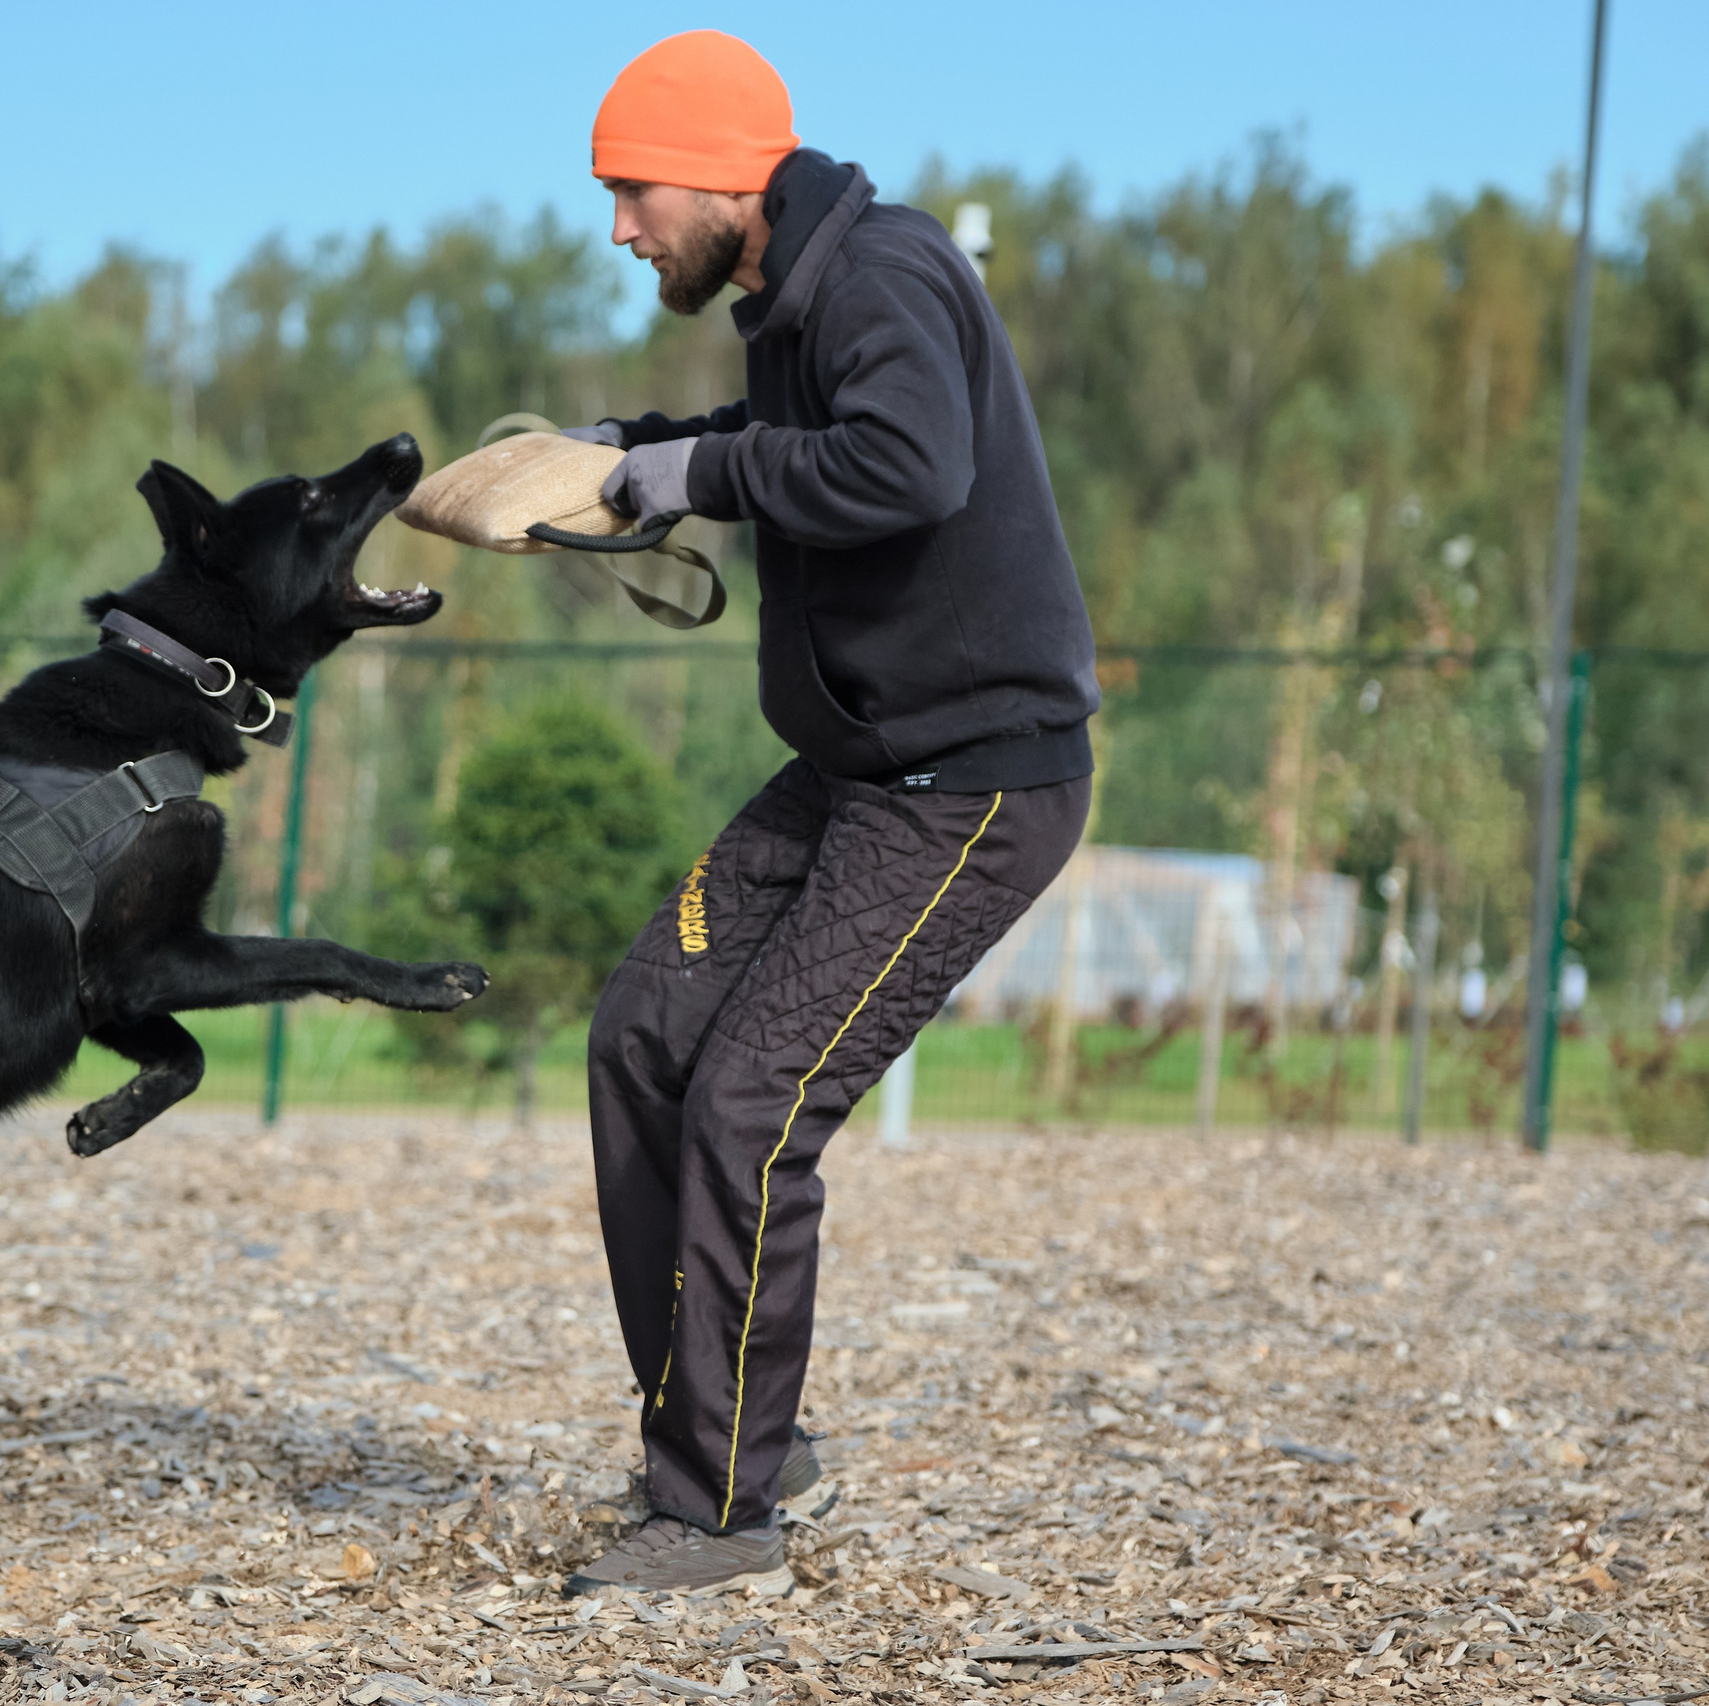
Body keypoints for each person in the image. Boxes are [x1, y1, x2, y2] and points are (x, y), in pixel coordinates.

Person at [562, 31, 1100, 1597]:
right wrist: (632, 455)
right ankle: (733, 1427)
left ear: (726, 171)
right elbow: (776, 457)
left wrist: (701, 473)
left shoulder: (883, 274)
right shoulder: (785, 298)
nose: (621, 230)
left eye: (633, 191)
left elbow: (908, 465)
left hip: (972, 779)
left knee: (751, 1104)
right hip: (860, 763)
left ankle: (718, 1511)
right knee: (641, 1037)